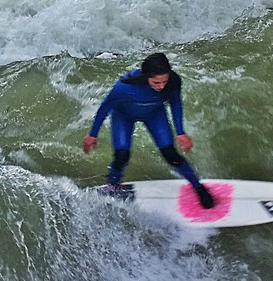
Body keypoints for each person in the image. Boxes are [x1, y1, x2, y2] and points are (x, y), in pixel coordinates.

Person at [81, 52, 215, 208]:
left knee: (171, 154)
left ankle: (198, 187)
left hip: (154, 114)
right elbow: (105, 108)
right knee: (122, 155)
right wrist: (93, 134)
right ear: (146, 76)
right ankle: (113, 186)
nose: (161, 86)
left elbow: (176, 103)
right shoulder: (124, 87)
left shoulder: (173, 81)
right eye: (156, 82)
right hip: (124, 116)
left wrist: (180, 132)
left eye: (164, 81)